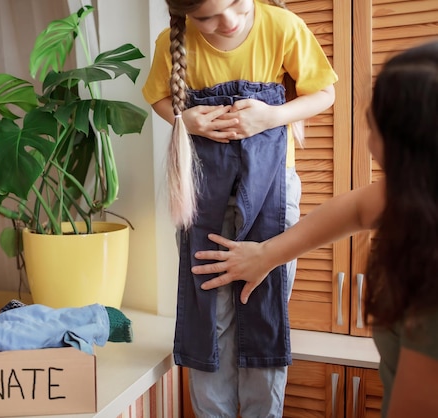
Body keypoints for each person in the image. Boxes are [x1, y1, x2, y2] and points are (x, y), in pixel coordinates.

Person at [191, 40, 438, 418]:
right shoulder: (416, 190)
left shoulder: (430, 299)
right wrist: (266, 254)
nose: (366, 123)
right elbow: (355, 209)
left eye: (375, 119)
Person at [142, 0, 337, 416]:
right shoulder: (171, 43)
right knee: (208, 311)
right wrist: (185, 121)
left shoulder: (281, 26)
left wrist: (273, 116)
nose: (228, 21)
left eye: (234, 3)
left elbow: (324, 92)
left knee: (263, 307)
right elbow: (158, 98)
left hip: (272, 192)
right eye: (207, 16)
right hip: (202, 193)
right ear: (183, 16)